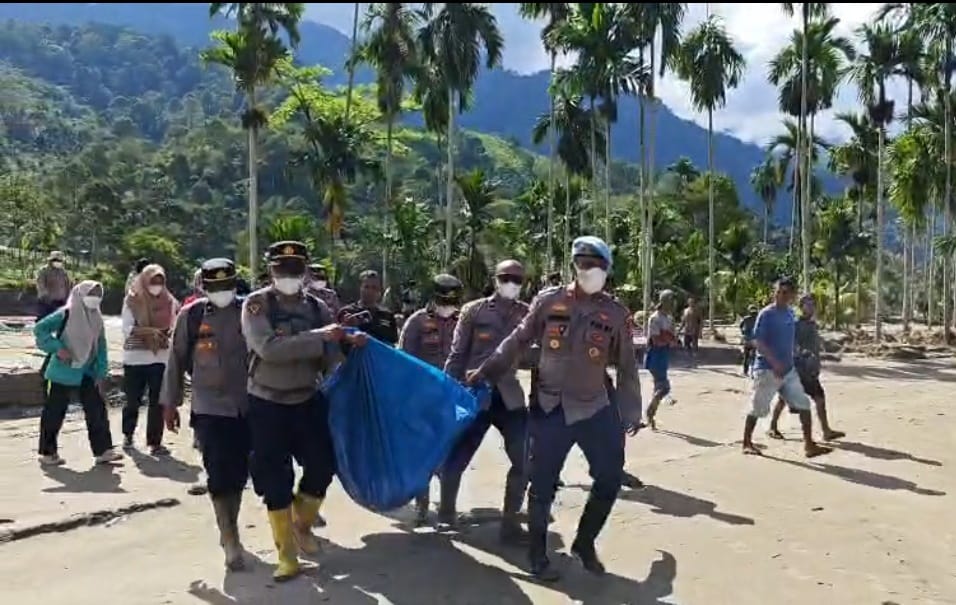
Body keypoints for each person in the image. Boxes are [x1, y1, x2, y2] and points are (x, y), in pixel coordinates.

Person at [467, 236, 641, 581]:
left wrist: (630, 412)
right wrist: (486, 371)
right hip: (550, 407)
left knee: (609, 476)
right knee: (542, 483)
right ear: (574, 264)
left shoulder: (616, 314)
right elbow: (517, 340)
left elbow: (626, 366)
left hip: (593, 406)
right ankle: (537, 555)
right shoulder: (549, 302)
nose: (588, 269)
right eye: (582, 262)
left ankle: (584, 542)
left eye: (596, 264)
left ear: (607, 269)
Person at [242, 240, 365, 581]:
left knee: (322, 466)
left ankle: (302, 524)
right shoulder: (256, 305)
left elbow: (330, 357)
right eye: (283, 270)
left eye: (296, 270)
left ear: (306, 272)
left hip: (306, 400)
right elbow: (269, 349)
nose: (290, 276)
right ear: (271, 271)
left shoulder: (317, 308)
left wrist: (347, 346)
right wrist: (321, 337)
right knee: (275, 479)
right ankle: (286, 554)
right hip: (267, 401)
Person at [160, 259, 250, 571]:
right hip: (209, 406)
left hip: (247, 405)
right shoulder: (192, 314)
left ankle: (231, 525)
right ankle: (229, 537)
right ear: (204, 287)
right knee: (218, 473)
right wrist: (170, 403)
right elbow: (176, 358)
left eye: (227, 286)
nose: (222, 292)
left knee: (238, 475)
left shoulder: (251, 311)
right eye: (215, 287)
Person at [444, 260, 531, 544]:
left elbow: (537, 355)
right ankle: (446, 514)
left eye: (517, 279)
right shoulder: (474, 310)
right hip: (474, 395)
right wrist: (448, 391)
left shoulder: (528, 314)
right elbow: (457, 355)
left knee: (524, 460)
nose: (511, 283)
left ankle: (510, 524)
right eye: (506, 277)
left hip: (509, 397)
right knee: (457, 456)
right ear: (495, 279)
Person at [398, 273, 464, 525]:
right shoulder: (416, 322)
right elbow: (404, 360)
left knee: (452, 455)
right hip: (422, 400)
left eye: (453, 299)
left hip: (452, 400)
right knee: (423, 455)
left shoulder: (463, 321)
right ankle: (422, 506)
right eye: (443, 299)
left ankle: (448, 510)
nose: (448, 304)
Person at [33, 281, 122, 466]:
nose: (95, 298)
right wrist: (57, 348)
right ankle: (48, 453)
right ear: (80, 294)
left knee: (96, 410)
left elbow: (101, 346)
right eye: (91, 293)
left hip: (88, 372)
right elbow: (40, 330)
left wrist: (101, 371)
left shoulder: (97, 318)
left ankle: (103, 451)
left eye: (98, 294)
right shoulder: (65, 313)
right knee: (55, 412)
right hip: (63, 371)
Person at [741, 278, 831, 458]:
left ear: (791, 295)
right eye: (778, 292)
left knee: (804, 404)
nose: (781, 295)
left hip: (789, 370)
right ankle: (747, 443)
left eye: (785, 293)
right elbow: (758, 341)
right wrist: (775, 363)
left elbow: (790, 341)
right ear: (774, 293)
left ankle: (809, 445)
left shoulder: (790, 313)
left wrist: (799, 354)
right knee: (758, 408)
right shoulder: (767, 314)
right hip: (767, 369)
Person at [768, 294, 845, 442]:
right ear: (801, 306)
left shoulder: (811, 324)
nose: (810, 307)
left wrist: (829, 355)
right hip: (799, 368)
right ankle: (773, 427)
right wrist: (801, 353)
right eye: (807, 304)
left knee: (817, 398)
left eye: (812, 304)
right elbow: (791, 342)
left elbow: (815, 345)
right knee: (786, 399)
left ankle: (826, 430)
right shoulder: (797, 323)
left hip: (809, 369)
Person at [121, 264, 180, 455]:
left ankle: (155, 442)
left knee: (158, 401)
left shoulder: (170, 301)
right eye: (153, 281)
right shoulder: (132, 300)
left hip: (160, 357)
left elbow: (176, 324)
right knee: (132, 400)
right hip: (135, 358)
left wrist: (167, 333)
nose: (157, 286)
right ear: (144, 281)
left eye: (160, 282)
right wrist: (151, 331)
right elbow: (128, 329)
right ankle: (128, 435)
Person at [644, 290, 679, 431]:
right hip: (655, 355)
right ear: (665, 301)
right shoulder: (655, 318)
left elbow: (672, 339)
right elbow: (656, 340)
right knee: (663, 387)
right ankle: (649, 412)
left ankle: (651, 417)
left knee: (659, 387)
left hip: (664, 354)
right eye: (671, 301)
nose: (673, 304)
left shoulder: (669, 318)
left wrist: (669, 338)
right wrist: (668, 337)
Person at [337, 270, 399, 345]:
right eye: (366, 287)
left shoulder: (387, 315)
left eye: (374, 287)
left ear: (379, 290)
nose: (370, 291)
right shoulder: (347, 312)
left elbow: (392, 343)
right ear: (360, 288)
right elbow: (338, 339)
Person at [36, 251, 72, 320]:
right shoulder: (44, 271)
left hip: (61, 302)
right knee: (45, 320)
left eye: (60, 260)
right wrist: (45, 296)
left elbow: (67, 286)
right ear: (51, 260)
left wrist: (67, 298)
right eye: (56, 260)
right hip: (47, 302)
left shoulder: (63, 272)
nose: (58, 262)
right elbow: (41, 284)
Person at [680, 297, 703, 363]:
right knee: (686, 346)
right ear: (688, 303)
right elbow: (683, 322)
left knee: (694, 346)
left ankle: (694, 360)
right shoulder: (685, 310)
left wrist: (700, 332)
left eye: (692, 302)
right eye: (690, 302)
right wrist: (679, 330)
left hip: (694, 330)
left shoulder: (697, 310)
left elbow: (701, 321)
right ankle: (688, 360)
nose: (691, 303)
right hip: (687, 330)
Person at [740, 305, 759, 376]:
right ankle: (754, 371)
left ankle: (745, 372)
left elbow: (741, 326)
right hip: (756, 340)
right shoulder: (759, 318)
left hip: (747, 340)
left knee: (746, 356)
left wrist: (743, 332)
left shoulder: (745, 319)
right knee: (755, 356)